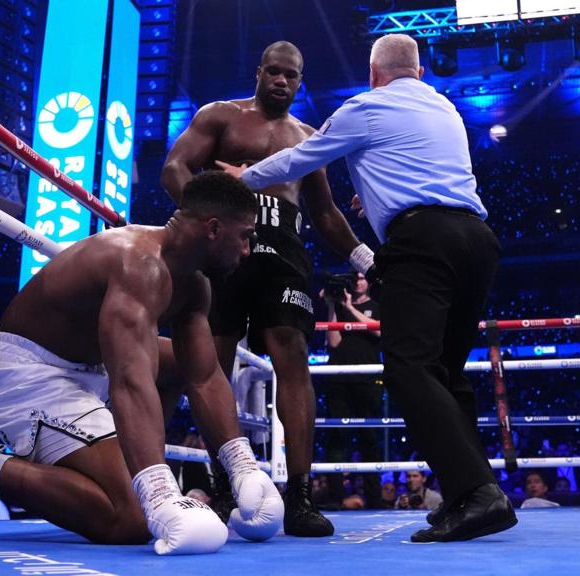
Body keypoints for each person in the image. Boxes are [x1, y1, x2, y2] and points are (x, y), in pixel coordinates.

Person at [218, 33, 514, 542]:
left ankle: (478, 493)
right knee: (446, 375)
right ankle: (473, 494)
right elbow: (419, 171)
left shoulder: (365, 107)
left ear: (374, 74)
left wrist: (240, 180)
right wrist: (377, 200)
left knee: (409, 369)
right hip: (477, 243)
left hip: (422, 243)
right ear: (419, 74)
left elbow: (298, 159)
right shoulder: (445, 110)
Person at [0, 172, 282, 555]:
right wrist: (158, 494)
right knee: (131, 519)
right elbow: (130, 381)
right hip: (25, 375)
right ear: (213, 229)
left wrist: (242, 466)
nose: (247, 251)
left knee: (179, 360)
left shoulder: (195, 284)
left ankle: (139, 465)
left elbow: (204, 375)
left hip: (84, 371)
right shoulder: (138, 263)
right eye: (245, 236)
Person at [162, 41, 373, 538]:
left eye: (291, 75)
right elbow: (175, 168)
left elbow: (324, 212)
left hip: (284, 253)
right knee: (209, 362)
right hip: (221, 252)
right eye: (273, 72)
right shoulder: (220, 116)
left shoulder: (306, 137)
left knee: (293, 356)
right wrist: (206, 220)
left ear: (301, 82)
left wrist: (365, 257)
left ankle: (298, 494)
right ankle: (220, 485)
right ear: (259, 73)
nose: (281, 81)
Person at [322, 272, 382, 507]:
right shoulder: (338, 307)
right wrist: (332, 305)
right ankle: (335, 497)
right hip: (339, 377)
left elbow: (379, 330)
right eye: (354, 278)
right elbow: (333, 341)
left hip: (368, 378)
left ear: (369, 282)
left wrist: (349, 307)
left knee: (370, 438)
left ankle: (375, 498)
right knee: (337, 437)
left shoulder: (376, 306)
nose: (358, 282)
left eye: (362, 277)